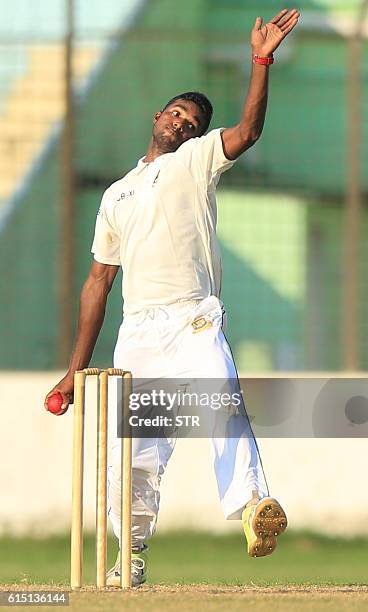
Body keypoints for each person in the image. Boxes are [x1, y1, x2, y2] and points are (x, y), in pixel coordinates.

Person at [45, 8, 300, 587]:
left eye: (192, 121)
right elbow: (97, 284)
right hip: (140, 333)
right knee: (133, 456)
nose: (183, 123)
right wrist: (73, 371)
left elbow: (248, 131)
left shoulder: (195, 161)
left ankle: (256, 506)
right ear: (157, 116)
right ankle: (129, 555)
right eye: (177, 113)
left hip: (193, 319)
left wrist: (261, 61)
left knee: (222, 399)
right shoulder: (117, 195)